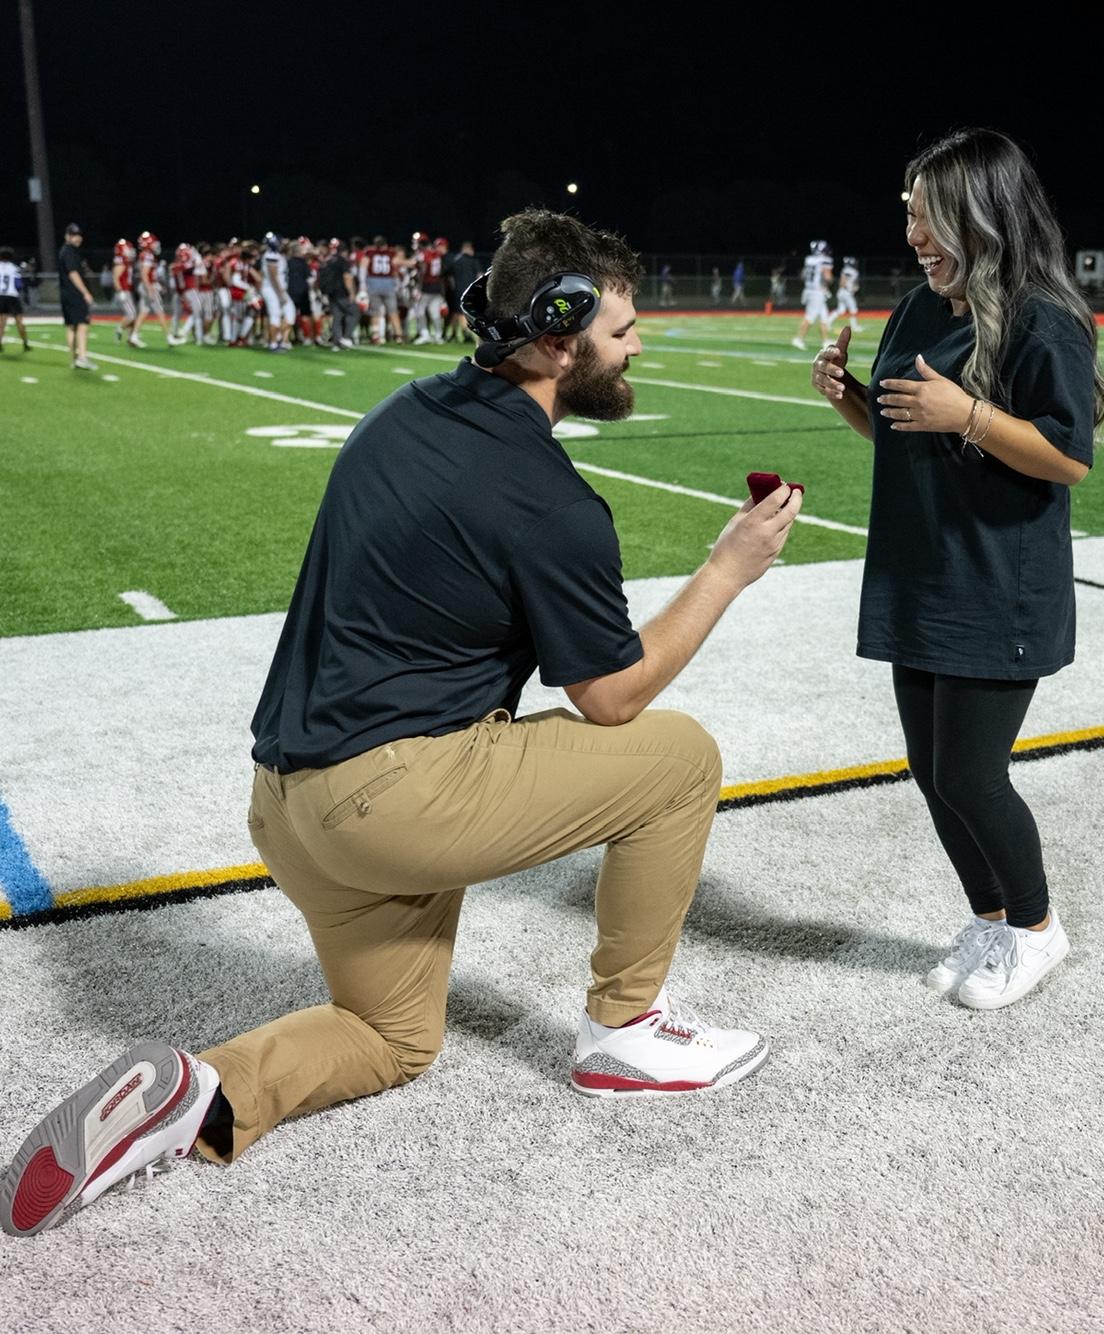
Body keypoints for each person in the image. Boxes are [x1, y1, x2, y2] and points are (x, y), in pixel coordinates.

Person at [0, 208, 802, 1237]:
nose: (637, 341)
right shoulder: (546, 497)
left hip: (287, 804)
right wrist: (725, 569)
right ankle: (626, 1029)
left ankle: (199, 1092)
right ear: (558, 334)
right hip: (391, 799)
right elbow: (610, 697)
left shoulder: (406, 409)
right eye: (622, 326)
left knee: (390, 1035)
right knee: (679, 757)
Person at [809, 128, 1104, 1011]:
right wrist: (854, 404)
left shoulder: (1039, 317)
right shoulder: (915, 308)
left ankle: (1037, 927)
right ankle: (990, 918)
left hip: (997, 581)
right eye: (908, 214)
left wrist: (968, 412)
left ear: (982, 216)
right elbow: (912, 430)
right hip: (921, 568)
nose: (913, 233)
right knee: (930, 770)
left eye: (930, 215)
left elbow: (1069, 459)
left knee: (974, 776)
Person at [57, 223, 96, 370]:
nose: (77, 238)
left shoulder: (65, 251)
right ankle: (82, 357)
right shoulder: (70, 251)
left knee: (71, 327)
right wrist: (85, 293)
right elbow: (73, 273)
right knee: (82, 324)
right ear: (67, 236)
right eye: (74, 235)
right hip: (74, 294)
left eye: (79, 235)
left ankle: (74, 358)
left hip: (66, 293)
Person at [318, 236, 358, 350]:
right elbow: (347, 277)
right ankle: (346, 337)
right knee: (354, 312)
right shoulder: (342, 261)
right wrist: (351, 293)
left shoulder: (328, 261)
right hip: (341, 292)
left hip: (330, 293)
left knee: (337, 316)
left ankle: (336, 342)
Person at [792, 239, 833, 350]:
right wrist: (829, 282)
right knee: (810, 317)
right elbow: (827, 276)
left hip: (809, 290)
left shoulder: (809, 260)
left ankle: (825, 341)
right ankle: (798, 339)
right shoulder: (824, 260)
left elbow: (803, 275)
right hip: (817, 292)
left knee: (824, 316)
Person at [446, 239, 480, 342]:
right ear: (469, 249)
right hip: (470, 291)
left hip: (457, 290)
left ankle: (452, 334)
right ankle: (466, 332)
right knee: (461, 313)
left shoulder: (455, 260)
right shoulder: (473, 261)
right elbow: (480, 276)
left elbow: (449, 276)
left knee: (457, 312)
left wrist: (453, 287)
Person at [0, 246, 32, 352]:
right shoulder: (14, 268)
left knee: (1, 322)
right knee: (19, 321)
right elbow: (18, 285)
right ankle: (25, 343)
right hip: (12, 296)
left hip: (1, 296)